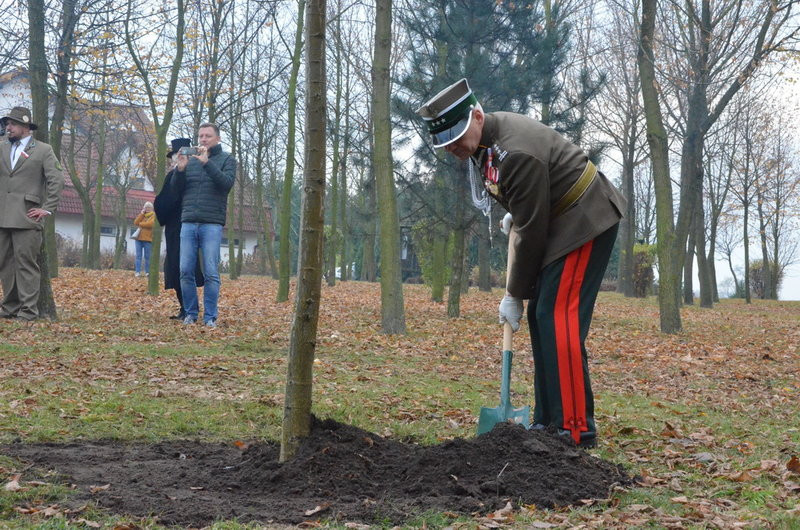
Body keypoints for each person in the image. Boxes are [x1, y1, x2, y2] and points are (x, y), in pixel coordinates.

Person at [417, 79, 626, 448]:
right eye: (446, 141)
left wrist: (514, 292)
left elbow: (531, 231)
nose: (452, 147)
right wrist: (518, 212)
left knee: (559, 318)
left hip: (585, 219)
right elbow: (525, 207)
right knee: (542, 315)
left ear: (477, 116)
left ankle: (575, 428)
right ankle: (549, 422)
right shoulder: (485, 147)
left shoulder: (514, 152)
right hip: (559, 219)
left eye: (456, 136)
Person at [0, 106, 64, 320]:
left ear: (26, 127)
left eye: (13, 124)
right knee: (5, 264)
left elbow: (56, 180)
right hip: (2, 215)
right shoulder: (1, 148)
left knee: (26, 264)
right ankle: (9, 307)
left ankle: (28, 310)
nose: (8, 128)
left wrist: (47, 208)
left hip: (28, 215)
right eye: (7, 124)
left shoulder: (43, 150)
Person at [172, 123, 236, 328]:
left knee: (210, 272)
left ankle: (210, 317)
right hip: (189, 221)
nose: (203, 139)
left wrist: (207, 163)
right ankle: (190, 313)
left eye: (208, 136)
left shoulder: (227, 159)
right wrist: (179, 170)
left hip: (211, 223)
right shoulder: (189, 161)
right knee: (185, 270)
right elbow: (176, 191)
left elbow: (226, 184)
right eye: (200, 136)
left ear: (217, 139)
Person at [154, 138, 204, 320]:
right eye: (175, 155)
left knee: (186, 268)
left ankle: (190, 309)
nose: (177, 158)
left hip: (188, 224)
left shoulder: (194, 174)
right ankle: (184, 308)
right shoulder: (172, 175)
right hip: (173, 227)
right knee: (175, 267)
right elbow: (164, 200)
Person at [133, 201, 156, 277]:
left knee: (147, 257)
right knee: (138, 256)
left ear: (152, 208)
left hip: (148, 240)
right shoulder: (142, 215)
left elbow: (150, 224)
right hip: (138, 239)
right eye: (146, 207)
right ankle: (137, 272)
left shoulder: (154, 216)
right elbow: (136, 222)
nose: (147, 209)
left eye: (149, 207)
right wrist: (141, 214)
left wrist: (141, 224)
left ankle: (147, 272)